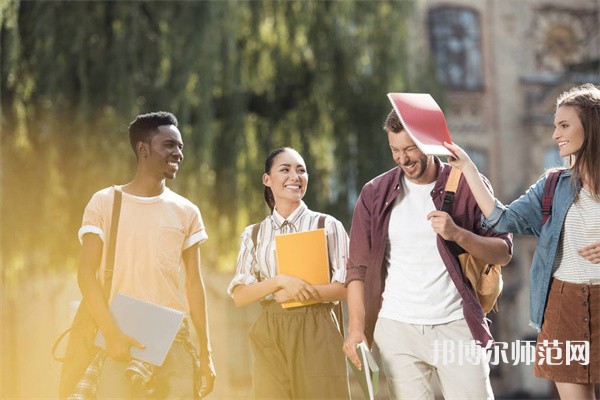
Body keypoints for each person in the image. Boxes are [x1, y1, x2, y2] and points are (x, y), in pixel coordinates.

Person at [343, 110, 513, 399]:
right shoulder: (375, 192)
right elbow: (357, 268)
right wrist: (356, 329)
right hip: (397, 329)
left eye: (410, 149)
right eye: (395, 150)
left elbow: (503, 252)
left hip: (456, 326)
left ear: (428, 144)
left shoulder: (467, 184)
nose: (403, 159)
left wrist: (458, 234)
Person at [445, 83, 600, 399]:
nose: (555, 134)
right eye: (555, 125)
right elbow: (502, 219)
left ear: (592, 127)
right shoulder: (552, 186)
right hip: (563, 306)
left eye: (564, 125)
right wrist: (468, 168)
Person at [74, 111, 215, 399]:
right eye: (169, 145)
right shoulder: (104, 203)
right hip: (118, 339)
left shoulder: (187, 212)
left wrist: (206, 354)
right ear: (143, 149)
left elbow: (194, 286)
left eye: (180, 147)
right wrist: (111, 334)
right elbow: (85, 275)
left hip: (172, 342)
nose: (178, 153)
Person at [227, 147, 350, 399]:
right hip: (269, 329)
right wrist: (279, 282)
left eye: (301, 171)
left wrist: (302, 293)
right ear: (267, 179)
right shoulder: (253, 234)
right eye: (285, 170)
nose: (295, 176)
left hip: (316, 325)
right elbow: (239, 295)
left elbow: (347, 286)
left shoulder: (327, 225)